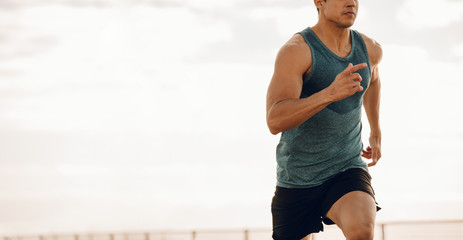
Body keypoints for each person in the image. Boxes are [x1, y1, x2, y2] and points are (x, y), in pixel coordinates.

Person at [266, 0, 382, 240]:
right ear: (320, 2)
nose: (351, 2)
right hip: (297, 177)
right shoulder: (297, 50)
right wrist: (329, 94)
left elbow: (373, 80)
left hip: (346, 167)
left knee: (362, 229)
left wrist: (376, 132)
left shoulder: (369, 49)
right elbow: (274, 119)